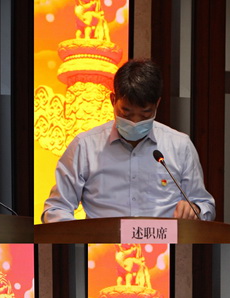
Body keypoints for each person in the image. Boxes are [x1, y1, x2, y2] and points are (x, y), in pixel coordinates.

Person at [42, 58, 215, 223]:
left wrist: (195, 210)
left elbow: (205, 205)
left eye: (145, 114)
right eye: (126, 113)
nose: (135, 122)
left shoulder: (180, 146)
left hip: (162, 242)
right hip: (102, 242)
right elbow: (56, 208)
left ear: (157, 104)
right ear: (113, 100)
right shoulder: (85, 146)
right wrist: (80, 236)